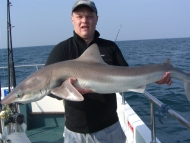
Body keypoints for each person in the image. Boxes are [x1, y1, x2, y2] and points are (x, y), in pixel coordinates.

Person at [45, 0, 172, 142]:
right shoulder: (62, 50)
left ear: (97, 19)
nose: (84, 21)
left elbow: (130, 78)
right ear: (72, 19)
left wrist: (156, 78)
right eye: (79, 16)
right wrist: (69, 91)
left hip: (110, 128)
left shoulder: (109, 47)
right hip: (75, 132)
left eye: (89, 16)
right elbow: (46, 88)